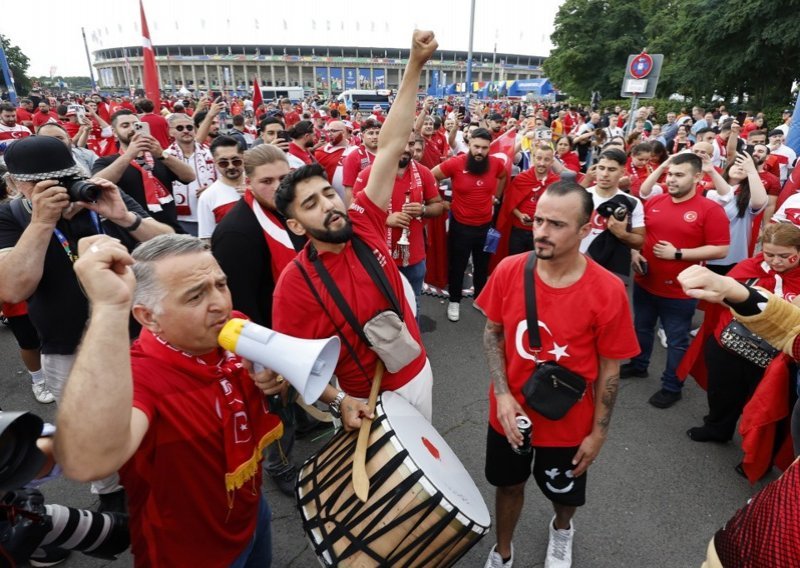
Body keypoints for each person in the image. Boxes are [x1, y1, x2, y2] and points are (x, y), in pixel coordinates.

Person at [54, 233, 285, 566]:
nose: (220, 303)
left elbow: (281, 378)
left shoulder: (234, 325)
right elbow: (87, 461)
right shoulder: (139, 377)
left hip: (251, 513)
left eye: (220, 284)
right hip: (188, 549)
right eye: (195, 296)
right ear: (148, 317)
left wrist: (276, 380)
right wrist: (108, 307)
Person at [271, 29, 439, 429]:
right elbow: (290, 363)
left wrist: (414, 64)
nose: (329, 204)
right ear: (295, 225)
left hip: (418, 373)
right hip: (366, 402)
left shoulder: (362, 218)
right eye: (311, 204)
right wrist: (339, 401)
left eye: (328, 193)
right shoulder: (294, 285)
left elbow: (392, 143)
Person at [0, 135, 173, 509]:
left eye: (65, 177)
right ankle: (112, 497)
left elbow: (170, 245)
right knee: (91, 431)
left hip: (139, 338)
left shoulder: (99, 196)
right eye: (44, 183)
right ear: (16, 185)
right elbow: (13, 287)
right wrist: (42, 221)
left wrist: (125, 217)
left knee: (155, 422)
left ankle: (163, 481)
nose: (61, 189)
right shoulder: (11, 216)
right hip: (68, 349)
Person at [476, 181, 639, 568]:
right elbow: (492, 332)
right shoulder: (510, 269)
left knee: (564, 493)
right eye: (538, 220)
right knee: (508, 485)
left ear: (585, 230)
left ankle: (562, 530)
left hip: (568, 423)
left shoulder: (608, 290)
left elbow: (610, 370)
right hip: (510, 415)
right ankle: (502, 550)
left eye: (556, 225)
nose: (541, 232)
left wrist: (599, 432)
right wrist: (502, 394)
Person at [211, 144, 310, 495]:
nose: (279, 186)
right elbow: (239, 306)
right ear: (248, 183)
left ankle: (299, 420)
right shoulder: (237, 230)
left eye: (285, 178)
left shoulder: (290, 211)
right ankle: (279, 462)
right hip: (265, 334)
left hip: (297, 327)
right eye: (268, 180)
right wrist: (262, 358)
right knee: (272, 404)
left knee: (291, 397)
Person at [622, 153, 730, 409]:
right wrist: (635, 253)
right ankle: (639, 365)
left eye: (679, 175)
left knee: (676, 340)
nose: (671, 180)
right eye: (670, 174)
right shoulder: (656, 201)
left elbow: (720, 249)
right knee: (642, 327)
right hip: (646, 281)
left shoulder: (710, 209)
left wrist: (679, 254)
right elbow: (640, 234)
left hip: (681, 290)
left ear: (697, 177)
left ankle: (672, 386)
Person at [682, 223, 800, 444]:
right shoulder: (749, 266)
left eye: (785, 256)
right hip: (729, 346)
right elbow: (720, 299)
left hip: (776, 360)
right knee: (721, 394)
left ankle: (756, 454)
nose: (775, 261)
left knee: (764, 409)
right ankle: (717, 428)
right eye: (769, 254)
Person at [352, 131, 444, 309]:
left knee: (413, 303)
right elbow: (354, 211)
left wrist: (423, 209)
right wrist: (386, 219)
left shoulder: (424, 173)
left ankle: (412, 337)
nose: (406, 149)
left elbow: (438, 206)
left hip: (414, 258)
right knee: (381, 306)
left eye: (410, 145)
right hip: (379, 256)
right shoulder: (369, 174)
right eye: (402, 143)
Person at [432, 127, 507, 322]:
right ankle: (454, 301)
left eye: (484, 148)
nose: (480, 152)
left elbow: (503, 176)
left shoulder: (496, 164)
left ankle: (480, 300)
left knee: (482, 266)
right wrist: (439, 202)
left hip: (485, 225)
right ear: (469, 144)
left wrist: (496, 197)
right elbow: (430, 176)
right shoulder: (457, 163)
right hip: (461, 225)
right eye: (476, 147)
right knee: (457, 266)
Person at [93, 110, 197, 232]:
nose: (132, 128)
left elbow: (189, 176)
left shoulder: (159, 157)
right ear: (115, 133)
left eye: (136, 124)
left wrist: (161, 153)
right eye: (125, 125)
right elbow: (97, 183)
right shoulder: (106, 161)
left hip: (169, 230)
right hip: (131, 233)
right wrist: (130, 154)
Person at [580, 148, 645, 282]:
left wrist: (623, 234)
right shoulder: (582, 196)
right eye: (601, 168)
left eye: (611, 170)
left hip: (611, 270)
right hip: (578, 264)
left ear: (622, 172)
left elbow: (640, 242)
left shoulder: (632, 202)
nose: (604, 174)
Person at [163, 113, 217, 235]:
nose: (186, 131)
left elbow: (224, 179)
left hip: (211, 214)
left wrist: (212, 189)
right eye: (180, 128)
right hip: (182, 219)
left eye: (189, 127)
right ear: (171, 132)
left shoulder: (210, 153)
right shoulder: (165, 156)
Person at [196, 136, 247, 240]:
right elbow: (206, 239)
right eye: (223, 163)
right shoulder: (207, 197)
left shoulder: (259, 184)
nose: (231, 166)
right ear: (215, 162)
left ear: (243, 157)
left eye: (236, 161)